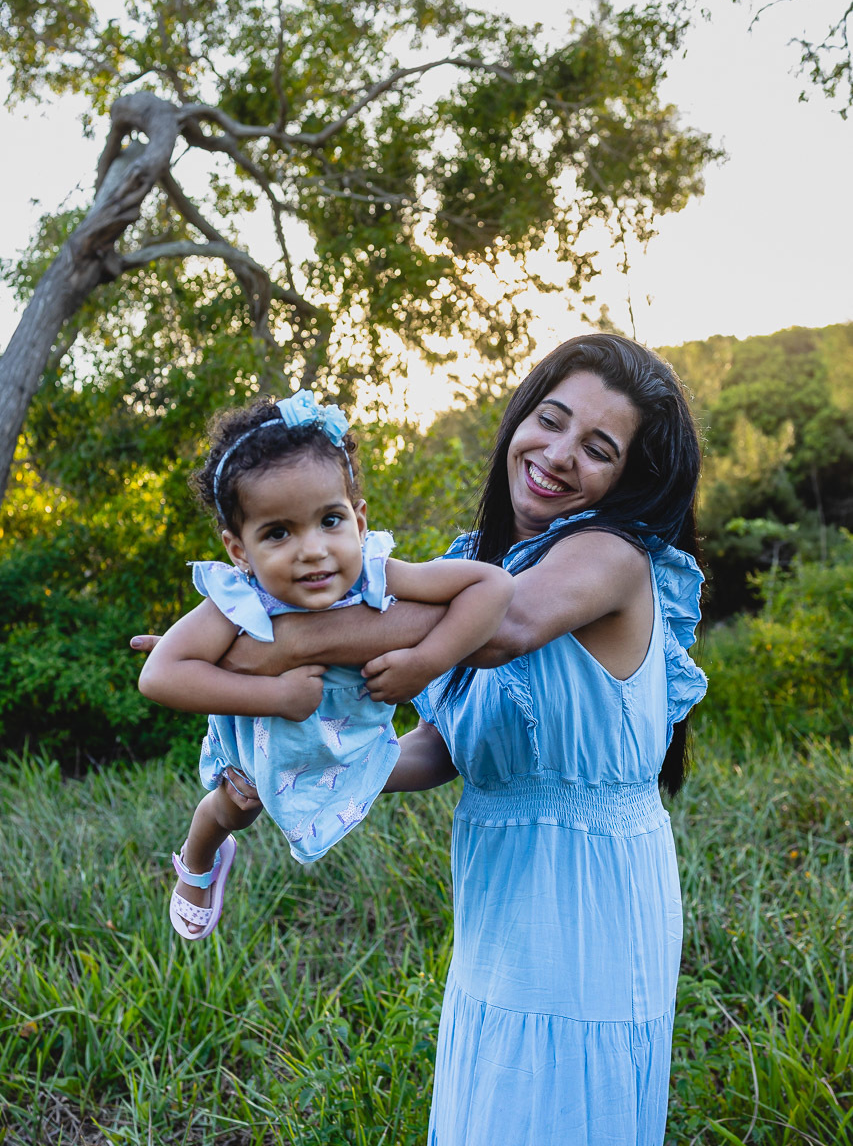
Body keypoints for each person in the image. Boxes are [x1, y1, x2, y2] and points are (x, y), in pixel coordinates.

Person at [133, 334, 707, 1144]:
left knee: (565, 1106)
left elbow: (499, 626)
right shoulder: (477, 560)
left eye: (598, 448)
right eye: (549, 420)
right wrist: (307, 767)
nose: (558, 454)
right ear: (518, 419)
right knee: (496, 1102)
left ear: (627, 477)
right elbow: (445, 747)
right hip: (500, 878)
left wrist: (265, 647)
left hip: (591, 888)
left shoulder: (607, 558)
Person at [138, 390, 512, 942]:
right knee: (232, 810)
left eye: (329, 520)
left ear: (359, 521)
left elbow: (492, 585)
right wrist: (277, 698)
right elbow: (160, 675)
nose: (312, 550)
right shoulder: (238, 599)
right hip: (257, 757)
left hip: (349, 746)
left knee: (436, 765)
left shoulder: (378, 573)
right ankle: (198, 863)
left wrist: (424, 662)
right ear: (239, 549)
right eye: (278, 533)